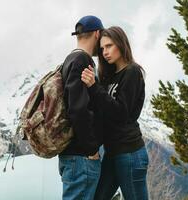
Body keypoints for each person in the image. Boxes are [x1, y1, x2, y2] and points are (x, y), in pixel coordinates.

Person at [81, 26, 149, 200]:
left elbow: (121, 114)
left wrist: (94, 87)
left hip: (130, 154)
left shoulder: (132, 72)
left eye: (109, 46)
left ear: (121, 43)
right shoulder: (111, 76)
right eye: (102, 48)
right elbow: (103, 111)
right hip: (112, 153)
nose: (105, 52)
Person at [58, 15, 104, 200]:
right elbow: (78, 109)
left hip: (70, 154)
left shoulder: (68, 60)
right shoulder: (82, 61)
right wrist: (91, 149)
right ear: (97, 34)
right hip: (81, 156)